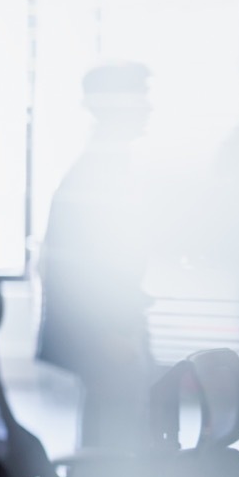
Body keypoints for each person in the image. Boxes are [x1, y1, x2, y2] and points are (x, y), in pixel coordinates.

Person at [35, 61, 157, 451]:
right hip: (107, 332)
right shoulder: (98, 174)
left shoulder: (110, 167)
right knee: (113, 439)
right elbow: (79, 270)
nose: (148, 108)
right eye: (141, 99)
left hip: (115, 326)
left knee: (116, 431)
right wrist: (110, 333)